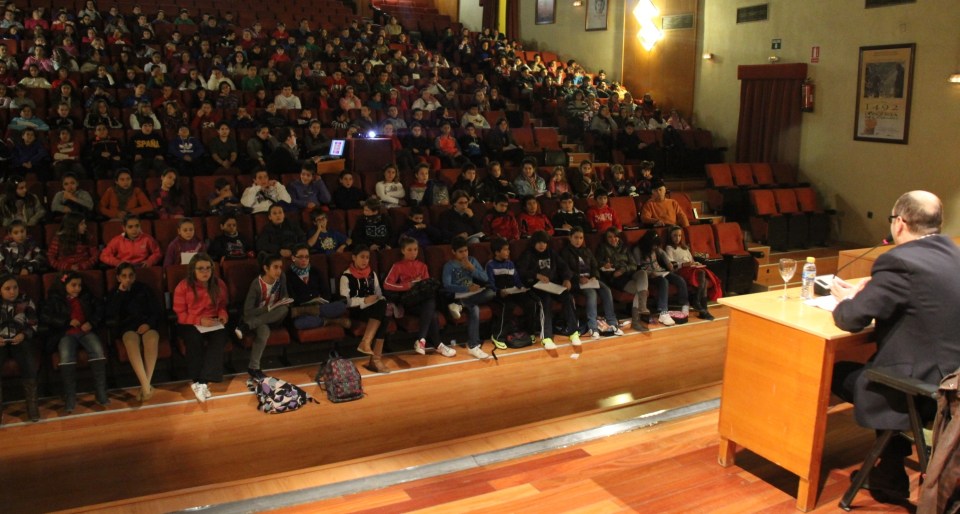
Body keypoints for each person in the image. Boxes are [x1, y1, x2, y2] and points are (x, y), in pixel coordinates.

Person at [831, 191, 960, 504]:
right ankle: (889, 472)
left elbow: (852, 320)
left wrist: (846, 300)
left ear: (900, 223)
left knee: (844, 373)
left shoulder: (899, 260)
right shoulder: (954, 253)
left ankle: (890, 470)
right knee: (882, 366)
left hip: (928, 392)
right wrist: (873, 289)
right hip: (952, 379)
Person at [41, 271, 109, 411]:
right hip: (65, 333)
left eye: (79, 285)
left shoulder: (86, 296)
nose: (77, 288)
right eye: (73, 285)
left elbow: (99, 309)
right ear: (64, 285)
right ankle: (70, 395)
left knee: (97, 349)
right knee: (66, 355)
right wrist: (67, 321)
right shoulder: (55, 298)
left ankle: (101, 391)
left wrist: (91, 322)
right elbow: (46, 315)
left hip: (85, 331)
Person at [383, 236, 455, 358]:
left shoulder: (422, 266)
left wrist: (420, 283)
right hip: (408, 301)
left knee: (431, 305)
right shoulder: (398, 266)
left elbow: (427, 287)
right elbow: (387, 284)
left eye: (415, 249)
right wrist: (407, 285)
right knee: (431, 308)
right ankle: (436, 344)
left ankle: (422, 341)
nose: (413, 253)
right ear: (403, 251)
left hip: (422, 301)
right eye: (409, 250)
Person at [173, 253, 229, 403]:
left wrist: (222, 314)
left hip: (212, 321)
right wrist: (199, 320)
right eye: (200, 269)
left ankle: (201, 383)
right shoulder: (183, 286)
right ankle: (200, 381)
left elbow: (223, 305)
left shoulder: (219, 284)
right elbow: (180, 314)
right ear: (193, 270)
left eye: (208, 268)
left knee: (220, 337)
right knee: (194, 339)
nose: (205, 272)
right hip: (189, 322)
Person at [106, 262, 162, 401]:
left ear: (135, 276)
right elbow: (110, 314)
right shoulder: (114, 293)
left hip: (146, 324)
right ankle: (147, 386)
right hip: (127, 327)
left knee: (152, 339)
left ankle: (145, 386)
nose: (128, 279)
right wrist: (121, 293)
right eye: (124, 276)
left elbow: (156, 310)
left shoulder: (144, 289)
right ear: (118, 278)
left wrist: (148, 324)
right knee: (131, 341)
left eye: (131, 275)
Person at [518, 230, 581, 349]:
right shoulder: (528, 254)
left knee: (567, 297)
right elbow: (521, 271)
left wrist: (567, 279)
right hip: (536, 287)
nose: (542, 245)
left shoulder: (551, 253)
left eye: (544, 243)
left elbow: (564, 267)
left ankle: (573, 332)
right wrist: (536, 275)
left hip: (553, 285)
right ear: (534, 243)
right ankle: (546, 337)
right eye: (539, 243)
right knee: (545, 302)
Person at [561, 227, 625, 338]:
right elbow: (565, 270)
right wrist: (578, 278)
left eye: (581, 238)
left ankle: (613, 323)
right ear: (570, 238)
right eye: (576, 238)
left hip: (590, 280)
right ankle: (593, 327)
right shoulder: (565, 252)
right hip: (576, 282)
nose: (578, 241)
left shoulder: (586, 250)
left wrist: (595, 276)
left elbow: (595, 265)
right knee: (591, 293)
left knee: (606, 289)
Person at [235, 254, 291, 379]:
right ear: (266, 268)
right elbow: (248, 311)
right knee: (264, 331)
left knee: (284, 309)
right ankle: (253, 368)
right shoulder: (256, 284)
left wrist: (284, 301)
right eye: (275, 267)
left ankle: (246, 326)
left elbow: (284, 296)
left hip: (275, 316)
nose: (279, 271)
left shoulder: (281, 278)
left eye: (280, 267)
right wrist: (267, 308)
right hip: (258, 318)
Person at [442, 236, 496, 359]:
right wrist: (466, 289)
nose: (464, 254)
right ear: (453, 252)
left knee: (491, 292)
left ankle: (461, 305)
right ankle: (473, 346)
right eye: (460, 252)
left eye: (466, 251)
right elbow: (447, 286)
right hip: (458, 294)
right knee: (474, 309)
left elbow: (485, 278)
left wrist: (472, 269)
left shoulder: (472, 261)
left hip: (472, 295)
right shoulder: (449, 266)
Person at [340, 245, 390, 372]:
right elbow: (345, 302)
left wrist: (377, 298)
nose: (365, 260)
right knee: (382, 312)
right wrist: (364, 300)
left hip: (373, 309)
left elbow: (379, 293)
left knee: (383, 312)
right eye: (362, 257)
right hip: (357, 310)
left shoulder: (372, 274)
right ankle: (375, 359)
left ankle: (367, 347)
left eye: (367, 258)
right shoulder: (346, 276)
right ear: (354, 258)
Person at [0, 273, 40, 423]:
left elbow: (33, 323)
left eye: (15, 287)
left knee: (29, 363)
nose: (12, 291)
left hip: (20, 339)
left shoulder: (26, 300)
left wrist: (24, 335)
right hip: (1, 341)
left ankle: (32, 408)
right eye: (7, 288)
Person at [595, 227, 650, 331]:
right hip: (617, 278)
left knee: (643, 272)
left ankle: (642, 306)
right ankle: (636, 321)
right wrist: (604, 265)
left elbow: (633, 264)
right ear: (606, 239)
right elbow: (597, 263)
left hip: (629, 272)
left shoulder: (624, 247)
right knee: (640, 291)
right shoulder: (602, 248)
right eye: (610, 237)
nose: (613, 239)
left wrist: (624, 269)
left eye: (615, 236)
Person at [286, 244, 351, 330]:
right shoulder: (288, 275)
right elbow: (292, 298)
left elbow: (326, 292)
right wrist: (309, 300)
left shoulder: (315, 271)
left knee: (341, 306)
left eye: (306, 257)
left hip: (320, 307)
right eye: (301, 257)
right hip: (303, 310)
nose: (304, 260)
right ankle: (330, 321)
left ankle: (319, 317)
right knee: (299, 323)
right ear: (293, 258)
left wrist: (320, 300)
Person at [633, 230, 689, 327]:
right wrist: (650, 273)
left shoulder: (655, 247)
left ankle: (683, 304)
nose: (655, 247)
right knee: (664, 281)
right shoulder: (638, 250)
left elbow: (662, 254)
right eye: (653, 245)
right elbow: (638, 269)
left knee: (680, 280)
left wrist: (669, 264)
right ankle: (663, 311)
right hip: (648, 275)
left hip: (660, 271)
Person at [664, 225, 720, 321]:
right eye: (674, 236)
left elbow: (691, 260)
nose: (677, 238)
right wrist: (684, 264)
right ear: (670, 237)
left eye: (679, 236)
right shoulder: (669, 248)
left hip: (691, 268)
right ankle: (700, 306)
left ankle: (701, 307)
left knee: (704, 278)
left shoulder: (685, 248)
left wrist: (695, 263)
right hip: (681, 270)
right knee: (702, 275)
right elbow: (671, 264)